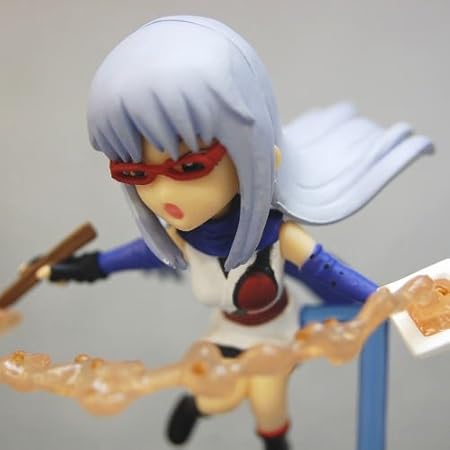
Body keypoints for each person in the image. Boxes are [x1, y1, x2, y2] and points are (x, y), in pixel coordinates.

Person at [39, 16, 432, 450]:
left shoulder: (277, 238)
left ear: (257, 156)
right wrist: (82, 267)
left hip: (275, 336)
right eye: (136, 173)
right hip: (223, 335)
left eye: (191, 167)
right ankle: (198, 406)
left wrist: (399, 303)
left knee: (268, 408)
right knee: (217, 396)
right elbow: (131, 256)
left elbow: (331, 273)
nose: (165, 194)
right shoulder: (186, 240)